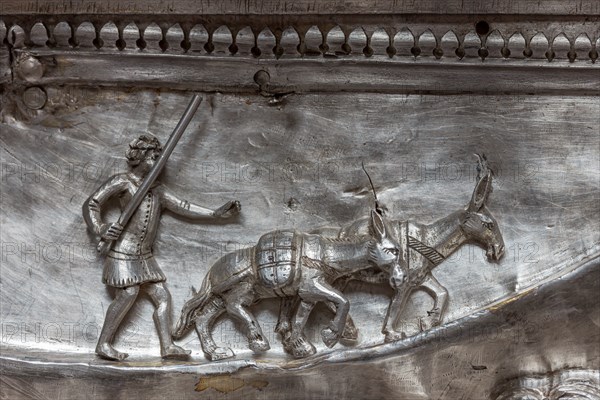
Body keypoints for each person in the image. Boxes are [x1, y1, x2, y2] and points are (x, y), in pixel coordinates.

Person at [83, 134, 240, 361]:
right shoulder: (123, 182)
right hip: (124, 251)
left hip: (143, 255)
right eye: (154, 157)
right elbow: (92, 203)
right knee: (128, 293)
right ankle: (103, 344)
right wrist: (100, 227)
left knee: (162, 296)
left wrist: (214, 213)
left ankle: (167, 346)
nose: (158, 162)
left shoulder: (157, 190)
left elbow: (183, 206)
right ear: (141, 157)